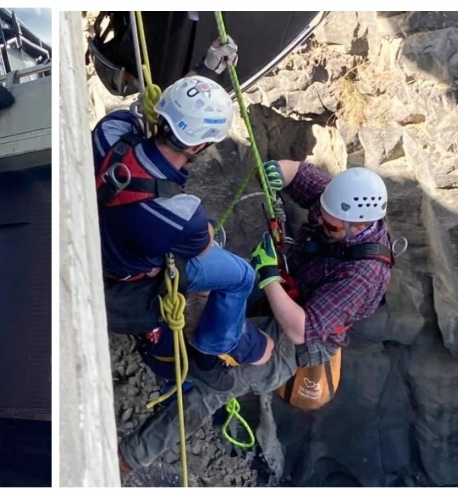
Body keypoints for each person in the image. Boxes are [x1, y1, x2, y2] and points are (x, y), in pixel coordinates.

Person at [117, 162, 394, 474]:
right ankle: (144, 315)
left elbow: (301, 329)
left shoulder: (365, 275)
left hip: (296, 339)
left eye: (331, 227)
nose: (323, 223)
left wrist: (269, 276)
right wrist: (276, 170)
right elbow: (299, 174)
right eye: (323, 216)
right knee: (212, 286)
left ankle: (127, 458)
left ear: (357, 226)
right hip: (283, 290)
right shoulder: (338, 201)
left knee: (212, 389)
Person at [92, 35, 268, 399]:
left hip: (104, 243)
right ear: (200, 146)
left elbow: (148, 114)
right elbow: (201, 244)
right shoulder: (181, 213)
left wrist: (204, 74)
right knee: (241, 276)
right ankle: (210, 348)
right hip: (129, 276)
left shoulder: (109, 133)